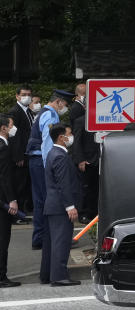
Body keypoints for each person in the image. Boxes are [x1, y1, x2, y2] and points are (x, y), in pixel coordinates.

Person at [25, 89, 73, 250]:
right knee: (47, 201)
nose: (64, 107)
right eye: (65, 104)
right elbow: (47, 145)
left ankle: (41, 237)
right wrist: (50, 169)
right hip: (41, 161)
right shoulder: (50, 115)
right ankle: (46, 237)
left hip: (36, 160)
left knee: (40, 200)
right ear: (58, 101)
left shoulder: (43, 113)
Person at [41, 123, 83, 286]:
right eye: (69, 134)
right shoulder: (60, 156)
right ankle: (59, 276)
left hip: (52, 205)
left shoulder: (52, 153)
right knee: (61, 241)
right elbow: (63, 184)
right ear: (61, 137)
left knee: (51, 242)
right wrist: (70, 206)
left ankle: (47, 275)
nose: (71, 136)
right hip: (60, 206)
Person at [68, 83, 99, 220]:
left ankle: (96, 212)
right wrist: (80, 159)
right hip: (87, 160)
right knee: (86, 189)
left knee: (97, 188)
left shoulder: (102, 120)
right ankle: (85, 213)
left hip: (101, 159)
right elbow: (77, 141)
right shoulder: (81, 121)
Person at [0, 114, 21, 288]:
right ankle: (1, 276)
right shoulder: (3, 148)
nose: (13, 129)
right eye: (11, 125)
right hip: (2, 202)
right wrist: (12, 200)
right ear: (3, 128)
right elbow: (4, 177)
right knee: (2, 239)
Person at [7, 84, 34, 219]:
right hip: (20, 155)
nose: (27, 97)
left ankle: (23, 210)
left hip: (27, 153)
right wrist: (18, 156)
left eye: (29, 94)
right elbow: (14, 136)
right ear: (17, 96)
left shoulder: (28, 111)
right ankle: (16, 214)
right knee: (18, 184)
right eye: (23, 94)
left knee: (25, 184)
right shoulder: (15, 111)